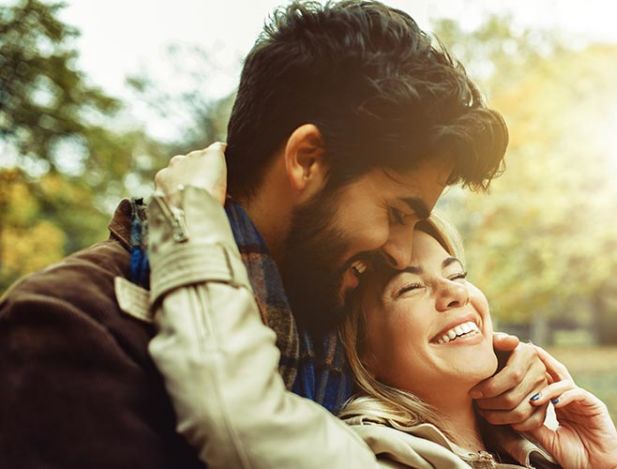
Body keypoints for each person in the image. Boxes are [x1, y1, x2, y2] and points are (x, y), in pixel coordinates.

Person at [0, 2, 548, 466]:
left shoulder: (330, 309)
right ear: (307, 160)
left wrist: (499, 396)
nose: (399, 250)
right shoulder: (73, 323)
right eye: (396, 213)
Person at [145, 148, 617, 468]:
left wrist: (608, 466)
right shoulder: (371, 452)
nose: (454, 294)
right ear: (364, 351)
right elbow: (241, 420)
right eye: (409, 289)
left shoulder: (535, 447)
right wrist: (188, 214)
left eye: (457, 275)